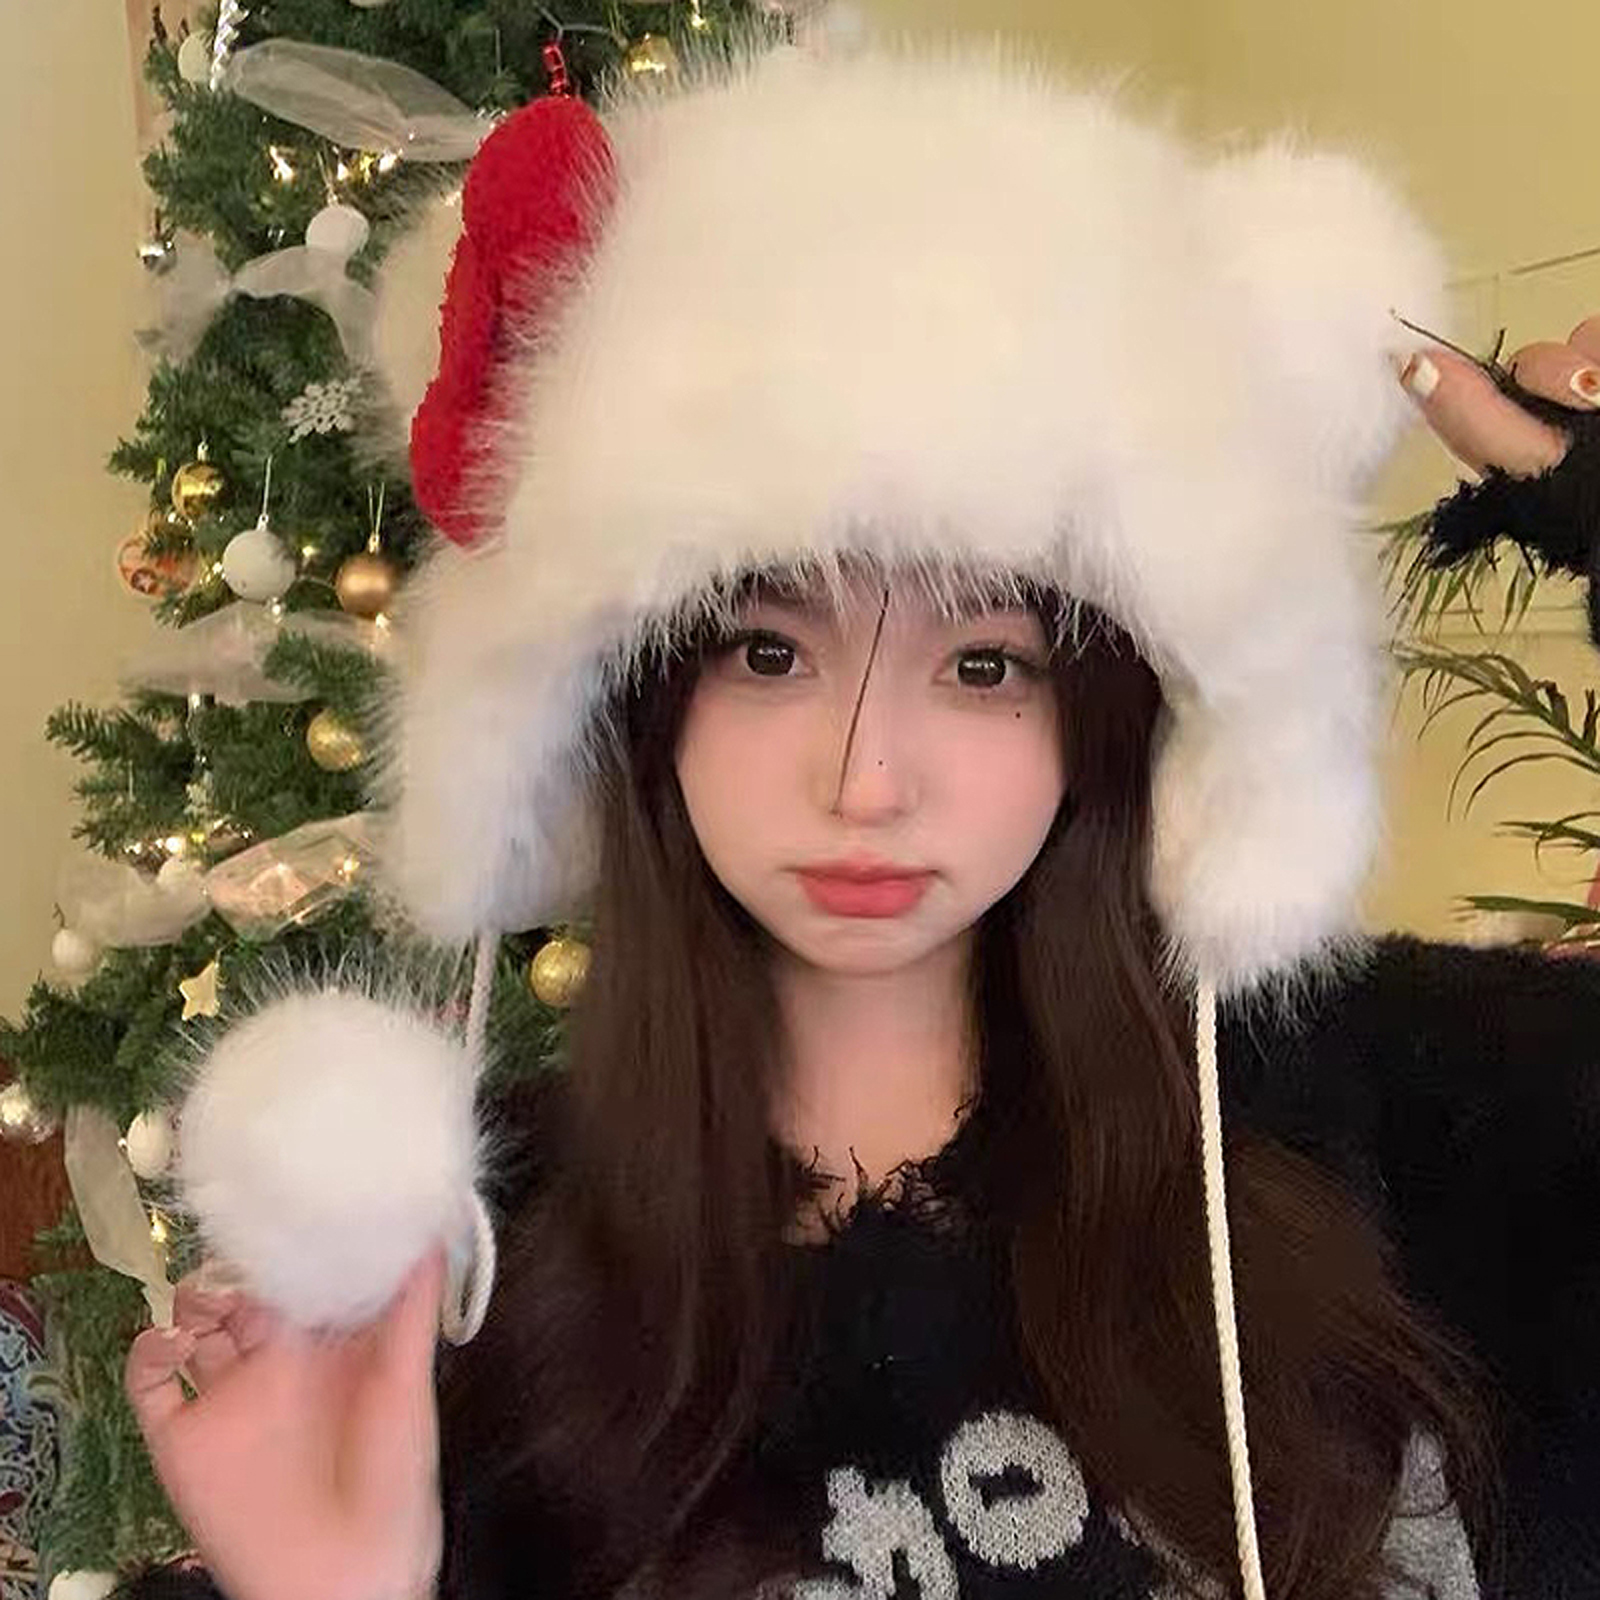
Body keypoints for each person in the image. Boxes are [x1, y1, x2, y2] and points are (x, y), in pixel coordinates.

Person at [112, 36, 1600, 1600]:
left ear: (1105, 713)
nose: (866, 780)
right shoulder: (464, 1289)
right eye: (768, 653)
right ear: (637, 693)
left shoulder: (1407, 1115)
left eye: (983, 665)